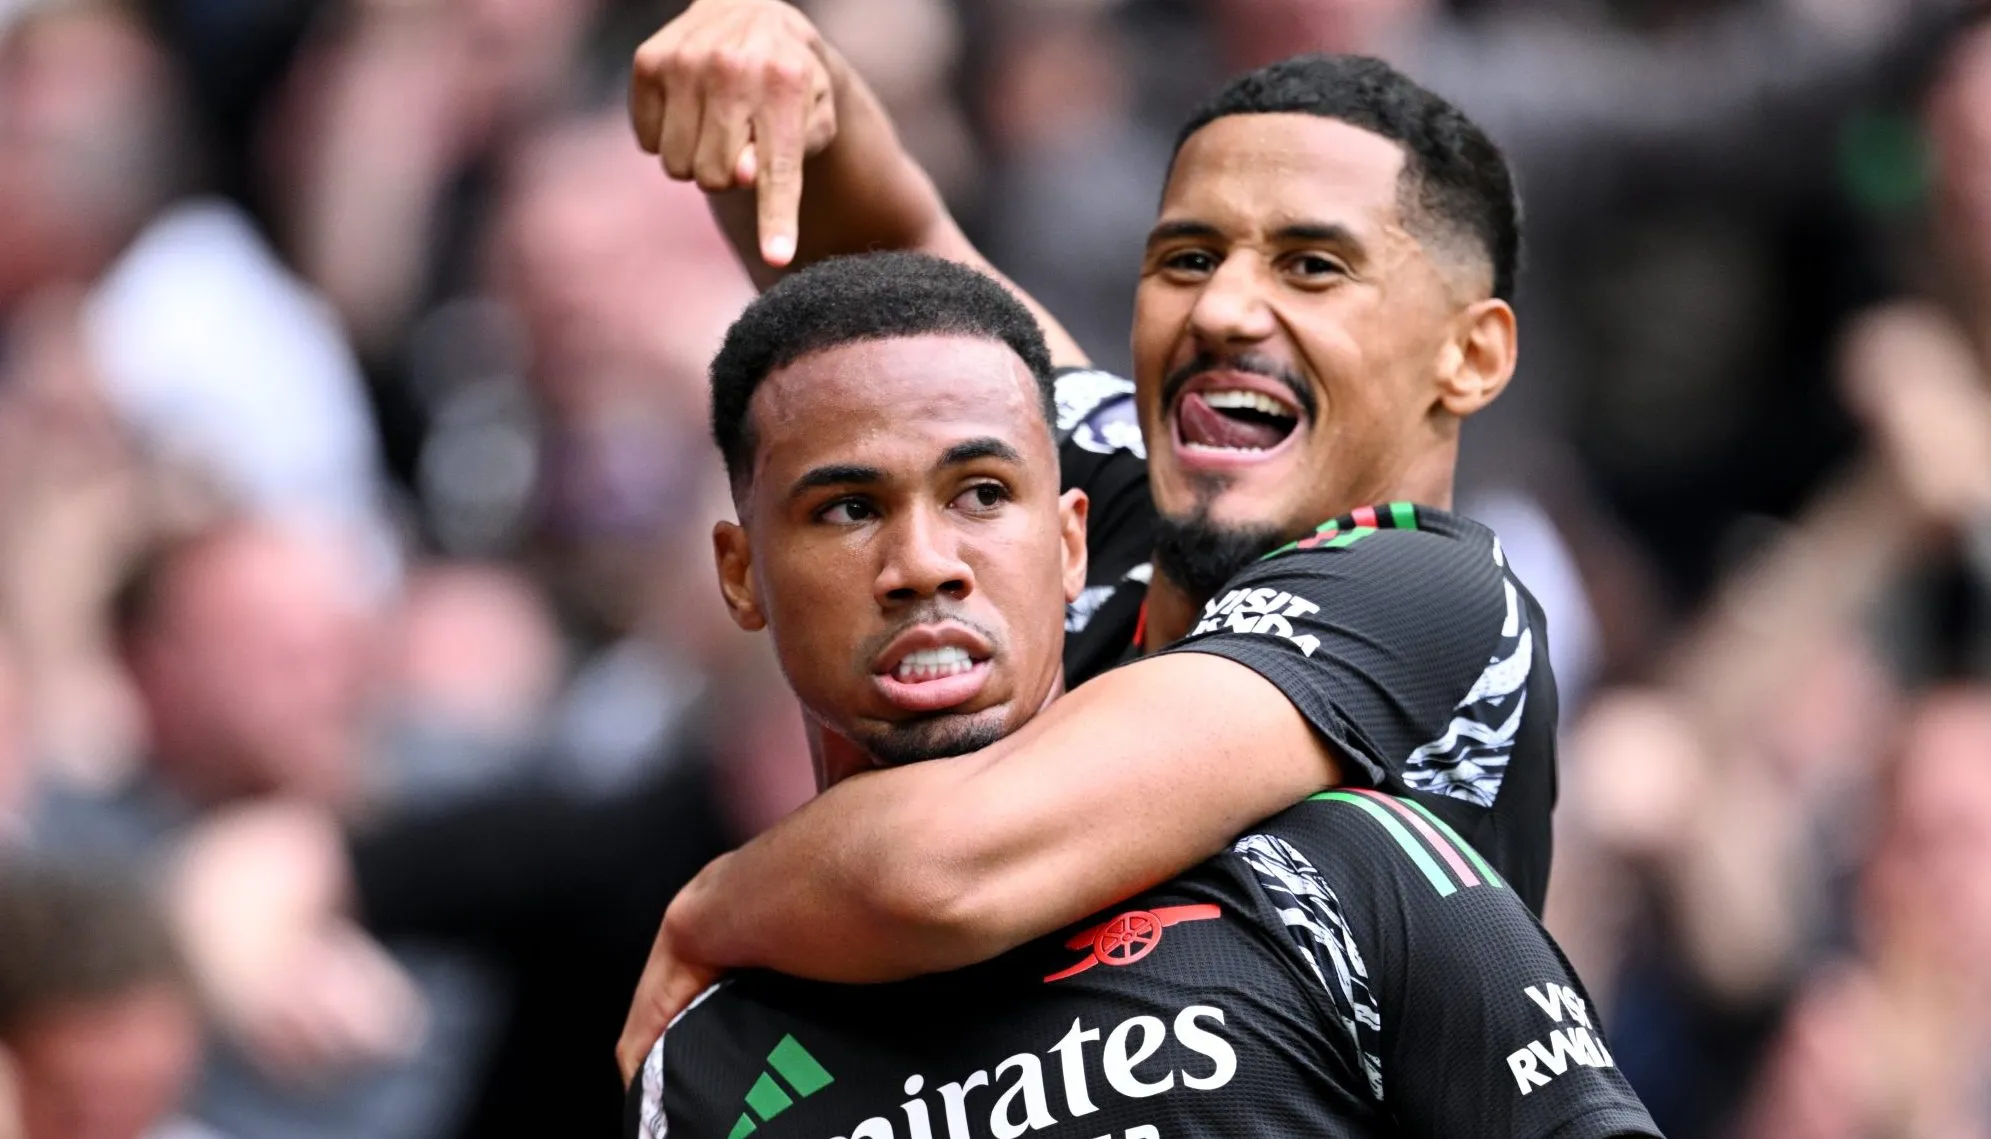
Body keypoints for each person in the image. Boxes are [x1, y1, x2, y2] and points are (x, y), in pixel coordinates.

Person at [621, 1, 1544, 1076]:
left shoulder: (1430, 594)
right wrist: (784, 64)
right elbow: (901, 279)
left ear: (1468, 357)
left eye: (1310, 267)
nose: (1224, 311)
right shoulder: (1104, 479)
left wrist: (710, 905)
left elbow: (940, 866)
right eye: (1189, 258)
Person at [628, 249, 1655, 1139]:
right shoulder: (711, 1049)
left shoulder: (1348, 870)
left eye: (982, 493)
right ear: (740, 574)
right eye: (849, 507)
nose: (924, 562)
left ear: (1071, 540)